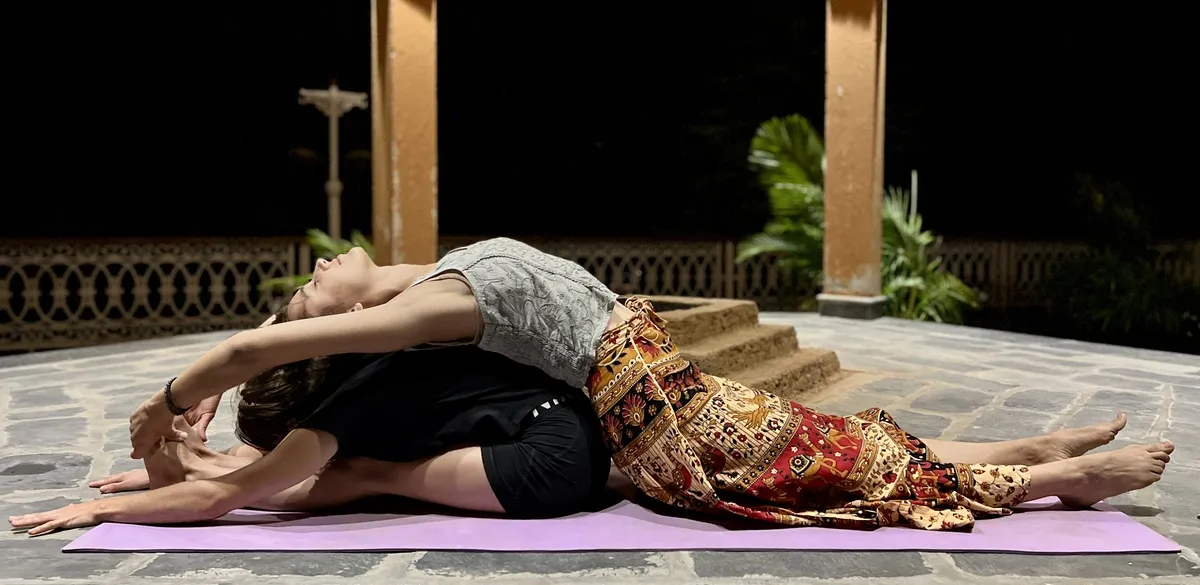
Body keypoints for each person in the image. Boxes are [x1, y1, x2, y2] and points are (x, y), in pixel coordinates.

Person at [14, 238, 1174, 534]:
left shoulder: (432, 271)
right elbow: (261, 360)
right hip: (657, 413)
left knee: (847, 437)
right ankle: (1064, 486)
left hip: (665, 385)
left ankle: (1022, 457)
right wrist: (185, 402)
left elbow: (272, 376)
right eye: (311, 287)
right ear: (346, 321)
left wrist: (198, 437)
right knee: (837, 472)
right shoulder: (417, 314)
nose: (319, 264)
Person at [10, 344, 611, 536]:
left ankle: (200, 468)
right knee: (362, 467)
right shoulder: (354, 359)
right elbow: (274, 335)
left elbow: (218, 505)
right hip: (568, 423)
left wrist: (98, 508)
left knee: (371, 477)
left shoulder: (344, 412)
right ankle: (204, 465)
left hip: (549, 461)